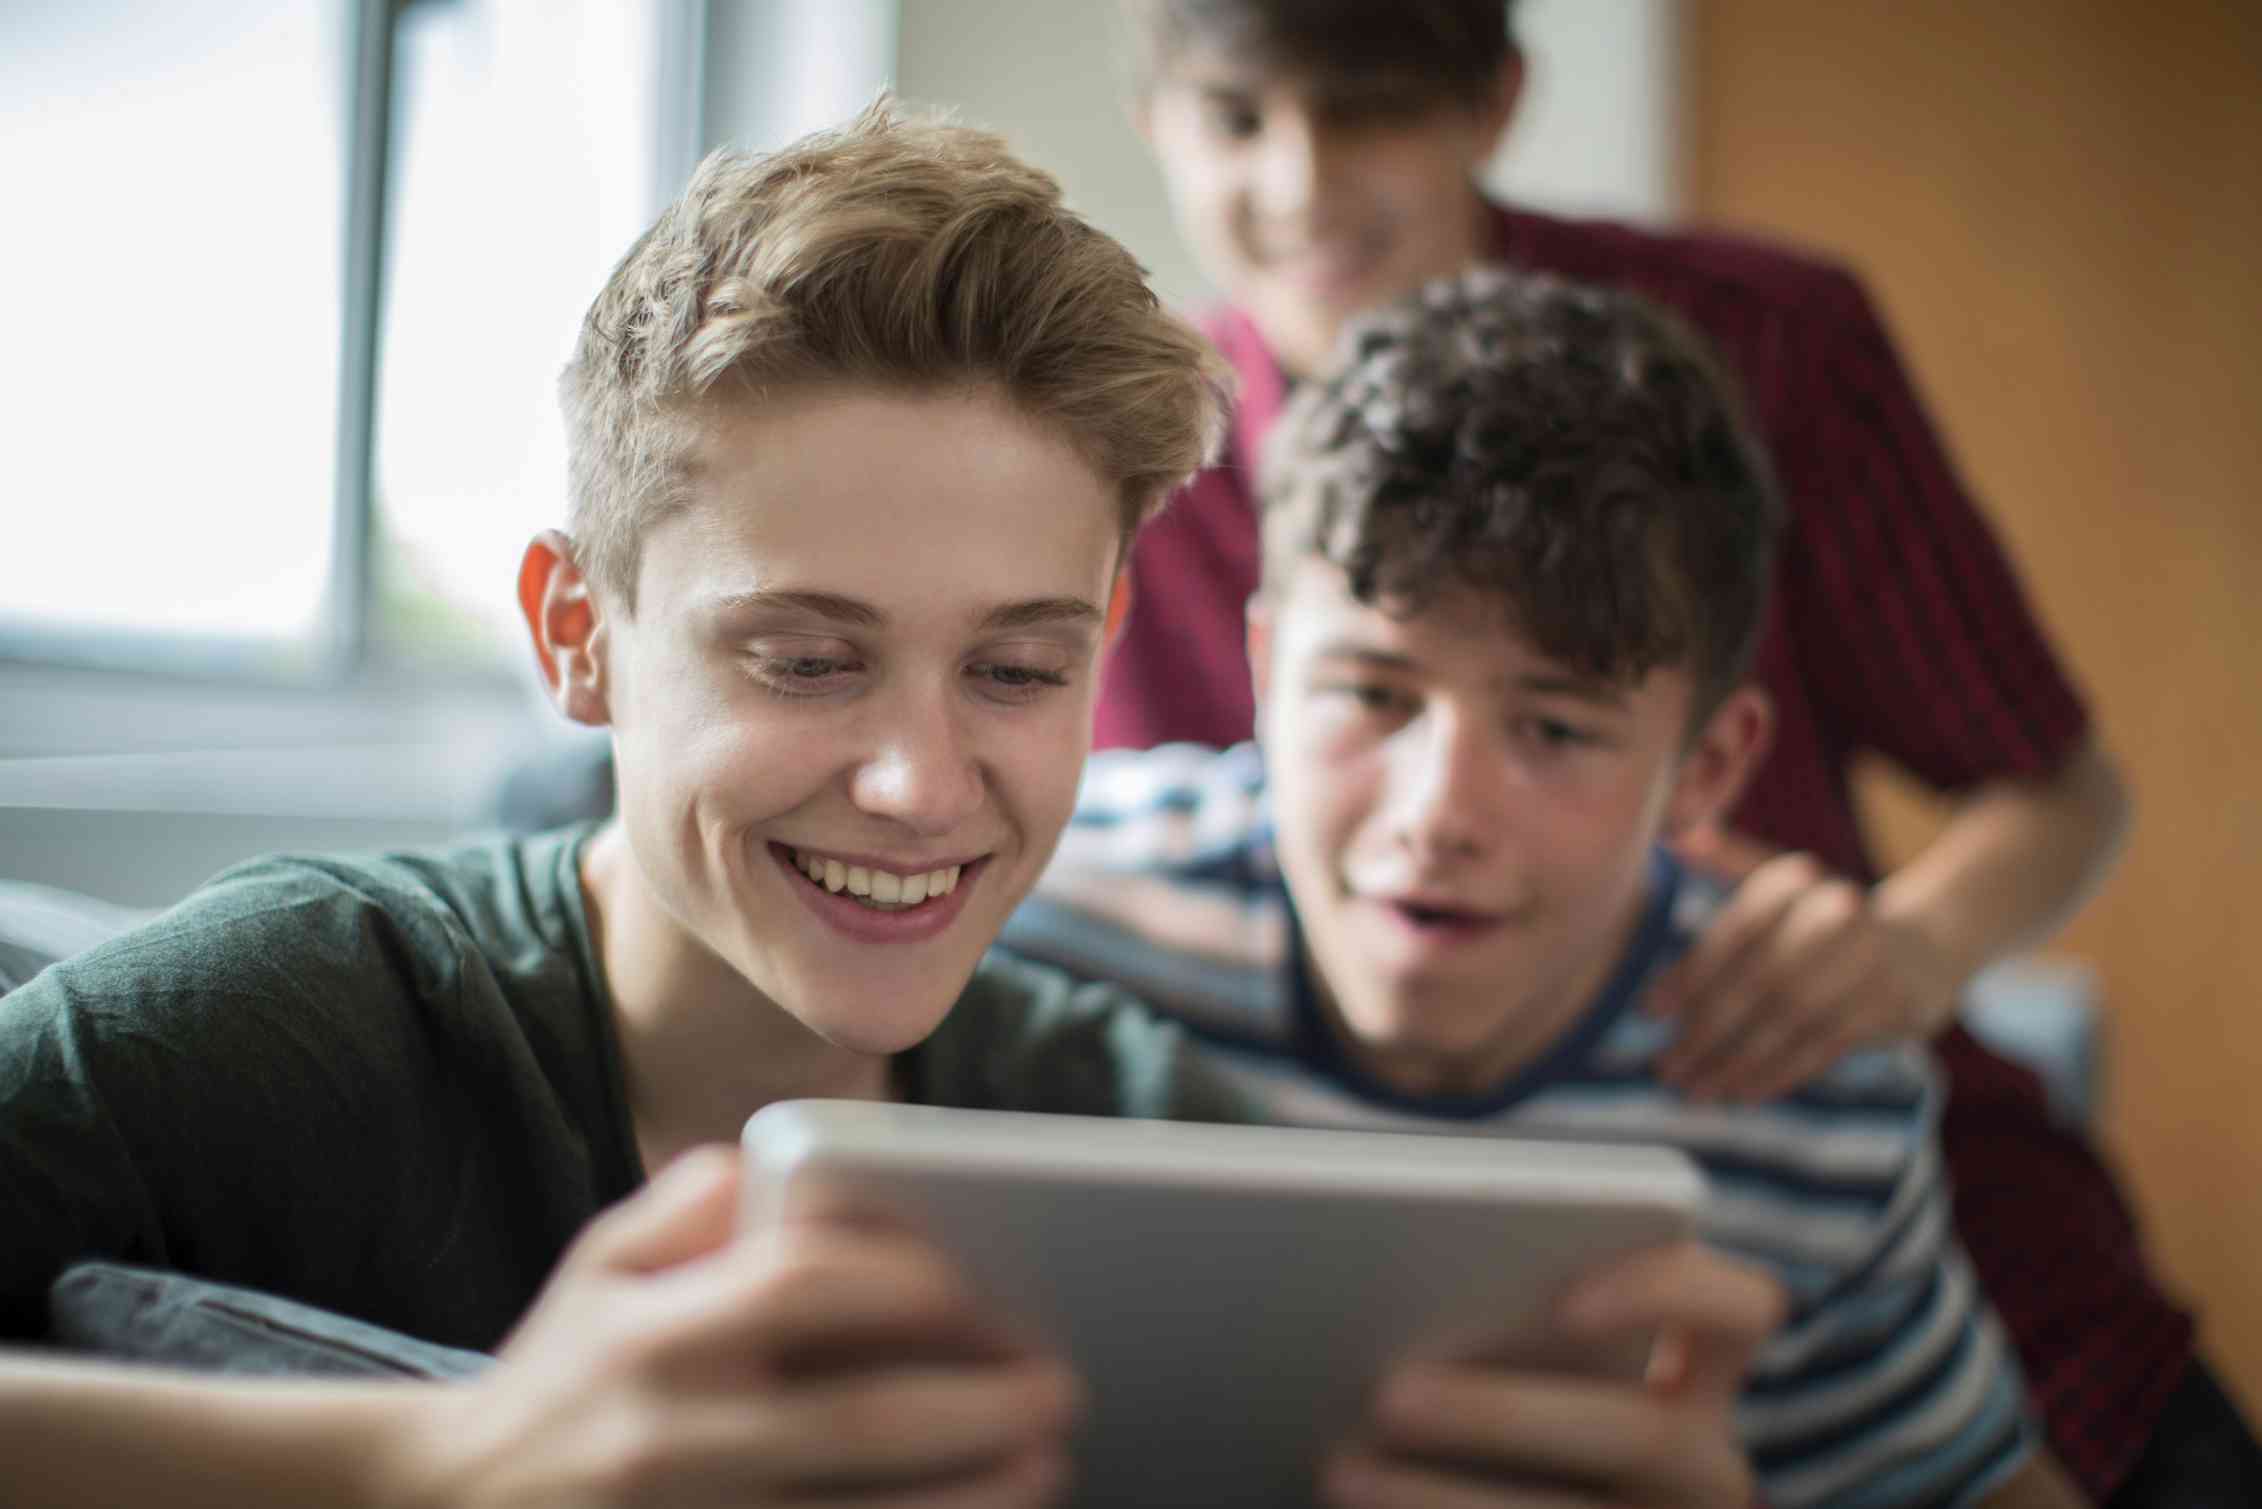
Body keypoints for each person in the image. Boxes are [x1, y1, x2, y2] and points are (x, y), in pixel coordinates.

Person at [0, 104, 1781, 1508]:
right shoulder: (306, 1014)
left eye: (1017, 669)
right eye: (802, 658)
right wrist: (429, 1465)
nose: (924, 784)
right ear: (579, 636)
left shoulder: (1153, 1148)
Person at [1098, 1, 2221, 1498]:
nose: (1298, 184)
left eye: (1366, 111)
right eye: (1238, 117)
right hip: (1398, 1299)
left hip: (1835, 1168)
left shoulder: (1767, 348)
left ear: (1491, 105)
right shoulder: (1132, 454)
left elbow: (2057, 786)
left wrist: (1901, 953)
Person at [1006, 266, 2100, 1507]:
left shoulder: (1808, 1090)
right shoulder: (1028, 914)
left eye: (1560, 730)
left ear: (1709, 769)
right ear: (1263, 668)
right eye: (1371, 695)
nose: (1440, 816)